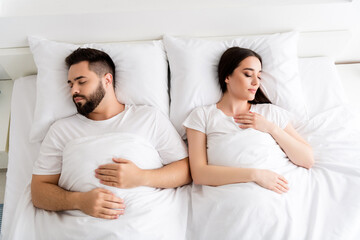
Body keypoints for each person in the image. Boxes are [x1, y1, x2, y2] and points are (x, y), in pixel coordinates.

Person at [31, 48, 191, 221]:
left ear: (107, 80)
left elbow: (186, 170)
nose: (73, 91)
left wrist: (141, 177)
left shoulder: (147, 118)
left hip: (142, 225)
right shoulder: (61, 130)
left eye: (81, 81)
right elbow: (38, 191)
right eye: (70, 84)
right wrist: (78, 201)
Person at [184, 46, 314, 192]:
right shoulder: (202, 116)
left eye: (258, 76)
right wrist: (256, 175)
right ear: (227, 77)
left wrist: (271, 128)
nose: (256, 82)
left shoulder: (270, 113)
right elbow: (200, 174)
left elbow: (307, 160)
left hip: (277, 196)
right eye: (248, 74)